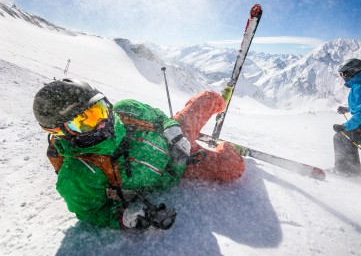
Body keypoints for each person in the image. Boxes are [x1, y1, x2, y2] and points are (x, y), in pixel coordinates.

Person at [33, 78, 245, 230]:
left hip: (177, 140)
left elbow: (157, 117)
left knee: (205, 100)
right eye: (83, 122)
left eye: (99, 110)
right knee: (233, 167)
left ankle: (222, 99)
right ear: (59, 132)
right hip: (179, 169)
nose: (102, 122)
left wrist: (172, 130)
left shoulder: (126, 109)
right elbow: (91, 212)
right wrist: (123, 217)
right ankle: (230, 148)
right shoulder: (79, 173)